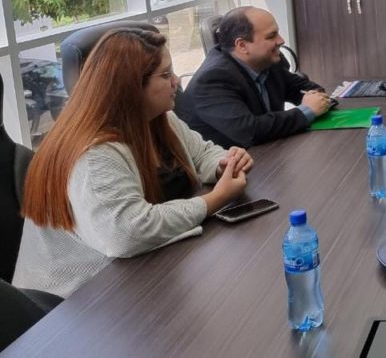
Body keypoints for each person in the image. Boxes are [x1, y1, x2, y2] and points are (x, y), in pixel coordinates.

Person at [14, 29, 253, 298]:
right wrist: (215, 200)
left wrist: (223, 164)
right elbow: (127, 232)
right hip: (73, 303)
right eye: (165, 75)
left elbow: (202, 153)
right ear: (129, 86)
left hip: (137, 274)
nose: (176, 81)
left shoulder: (158, 118)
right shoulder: (93, 153)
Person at [179, 6, 332, 148]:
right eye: (272, 36)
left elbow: (308, 90)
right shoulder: (212, 79)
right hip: (223, 170)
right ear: (242, 45)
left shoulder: (268, 62)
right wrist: (306, 111)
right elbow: (250, 131)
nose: (281, 41)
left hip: (267, 154)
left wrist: (315, 100)